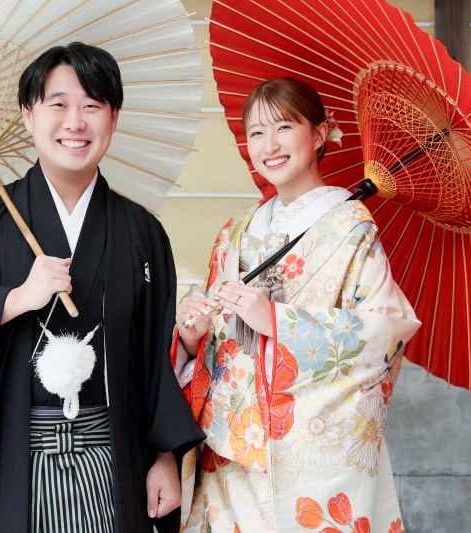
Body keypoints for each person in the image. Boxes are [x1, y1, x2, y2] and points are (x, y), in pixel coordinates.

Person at [0, 42, 203, 533]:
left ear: (114, 118)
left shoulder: (141, 231)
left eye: (92, 105)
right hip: (9, 464)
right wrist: (15, 299)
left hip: (113, 460)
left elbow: (155, 355)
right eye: (58, 104)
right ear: (28, 115)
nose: (75, 122)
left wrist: (165, 455)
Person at [172, 78, 421, 532]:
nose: (269, 145)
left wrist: (278, 320)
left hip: (301, 454)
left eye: (284, 127)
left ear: (320, 134)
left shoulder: (350, 228)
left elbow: (386, 330)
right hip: (224, 451)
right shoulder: (235, 230)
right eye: (256, 132)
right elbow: (216, 340)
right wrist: (192, 337)